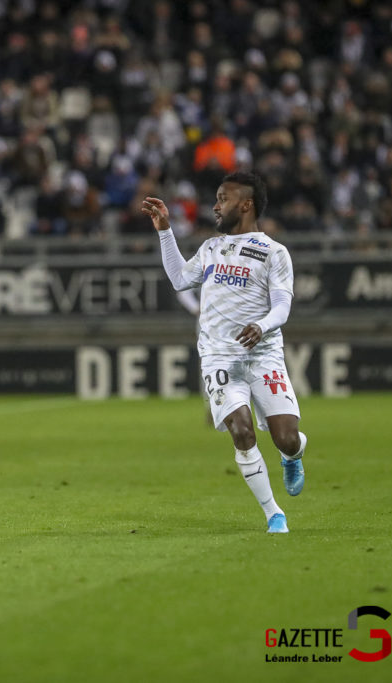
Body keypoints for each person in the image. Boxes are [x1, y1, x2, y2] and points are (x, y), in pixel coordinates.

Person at [142, 172, 307, 534]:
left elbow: (282, 308)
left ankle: (292, 456)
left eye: (223, 198)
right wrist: (165, 231)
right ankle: (273, 513)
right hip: (219, 356)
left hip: (263, 355)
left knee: (287, 437)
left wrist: (262, 326)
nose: (215, 206)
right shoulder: (211, 248)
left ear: (245, 204)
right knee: (242, 431)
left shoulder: (274, 253)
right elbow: (180, 279)